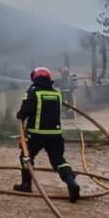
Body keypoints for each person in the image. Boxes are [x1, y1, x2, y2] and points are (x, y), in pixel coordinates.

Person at [13, 67, 80, 202]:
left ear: (35, 78)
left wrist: (20, 115)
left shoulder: (33, 92)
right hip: (55, 134)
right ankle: (70, 181)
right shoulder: (57, 94)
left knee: (26, 157)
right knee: (58, 160)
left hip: (36, 134)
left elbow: (25, 111)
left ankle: (26, 184)